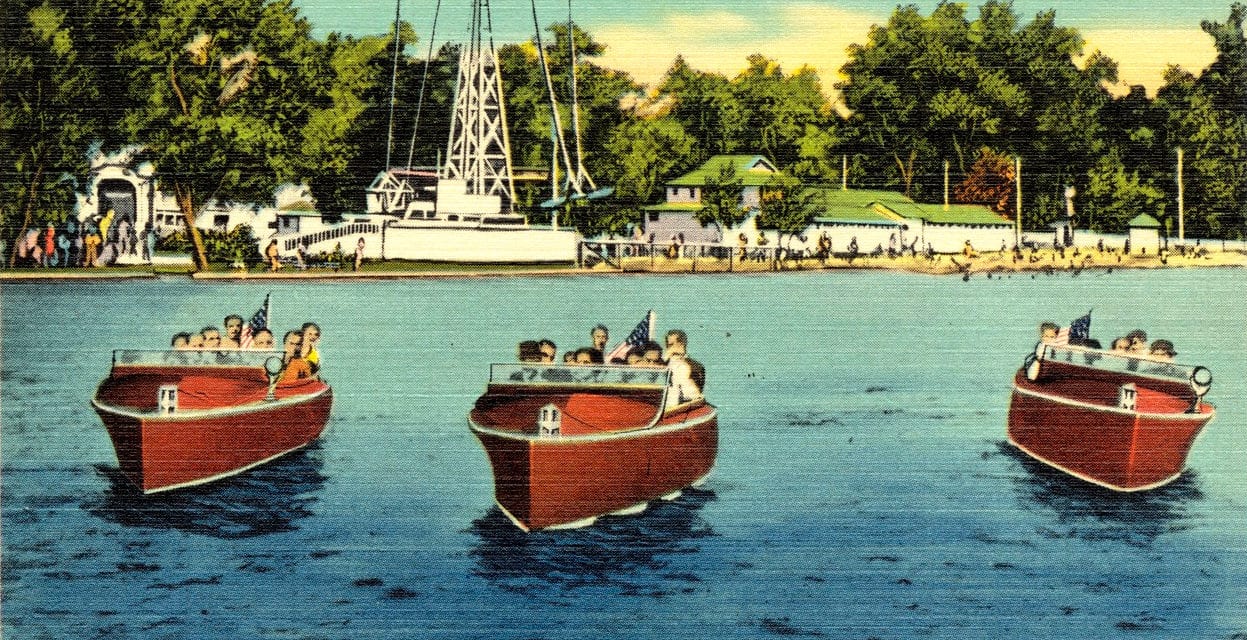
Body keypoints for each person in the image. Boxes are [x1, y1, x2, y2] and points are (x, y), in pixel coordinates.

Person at [664, 329, 703, 405]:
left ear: (682, 344)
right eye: (667, 345)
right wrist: (665, 358)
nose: (669, 348)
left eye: (671, 345)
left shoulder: (696, 366)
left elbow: (697, 393)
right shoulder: (663, 364)